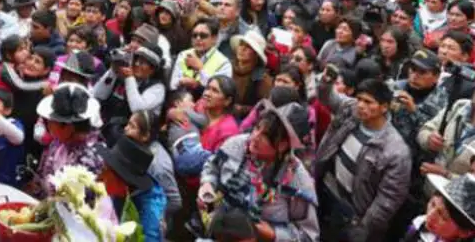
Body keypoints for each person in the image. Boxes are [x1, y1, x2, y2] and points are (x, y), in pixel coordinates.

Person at [199, 102, 319, 241]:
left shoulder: (297, 180)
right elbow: (212, 166)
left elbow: (309, 236)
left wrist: (274, 234)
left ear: (282, 145)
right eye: (256, 128)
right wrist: (207, 185)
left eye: (266, 136)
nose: (255, 136)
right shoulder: (237, 144)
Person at [316, 77, 412, 242]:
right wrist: (326, 81)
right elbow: (327, 97)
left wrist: (362, 229)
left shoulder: (396, 151)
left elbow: (387, 202)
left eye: (368, 102)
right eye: (359, 99)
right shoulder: (351, 112)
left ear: (384, 108)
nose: (361, 105)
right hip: (325, 192)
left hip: (351, 216)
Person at [99, 135, 167, 242]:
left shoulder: (150, 214)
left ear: (122, 180)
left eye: (106, 170)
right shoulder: (122, 190)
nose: (101, 176)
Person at [403, 174, 475, 242]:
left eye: (442, 216)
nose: (430, 216)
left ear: (465, 232)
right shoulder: (419, 222)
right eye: (433, 204)